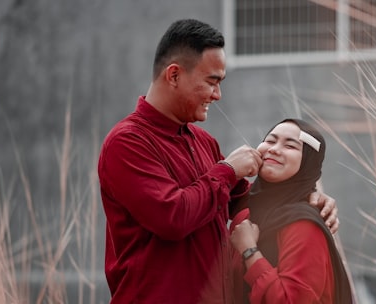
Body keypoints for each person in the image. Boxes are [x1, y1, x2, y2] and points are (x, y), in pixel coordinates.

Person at [97, 19, 339, 303]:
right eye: (212, 81)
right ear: (173, 75)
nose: (218, 95)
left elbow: (245, 203)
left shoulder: (203, 141)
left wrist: (304, 199)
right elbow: (173, 217)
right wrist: (227, 170)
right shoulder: (127, 143)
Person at [230, 118, 353, 304]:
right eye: (270, 140)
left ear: (307, 164)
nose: (274, 149)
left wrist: (249, 251)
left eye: (291, 146)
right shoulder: (245, 211)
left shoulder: (303, 224)